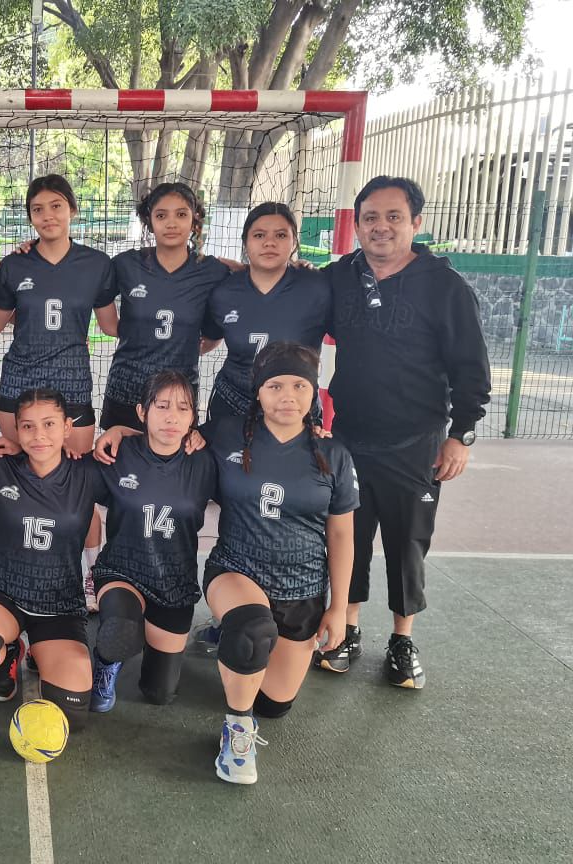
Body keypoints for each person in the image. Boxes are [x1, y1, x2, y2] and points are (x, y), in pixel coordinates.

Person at [313, 176, 491, 689]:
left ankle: (402, 639)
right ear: (358, 223)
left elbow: (471, 368)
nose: (381, 227)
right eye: (370, 217)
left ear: (416, 223)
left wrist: (462, 434)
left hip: (417, 439)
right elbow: (289, 285)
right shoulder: (339, 277)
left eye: (394, 217)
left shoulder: (445, 286)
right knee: (349, 535)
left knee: (407, 540)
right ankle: (347, 630)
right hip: (349, 435)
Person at [201, 342, 357, 784]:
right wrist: (122, 435)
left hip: (302, 590)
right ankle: (236, 731)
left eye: (298, 385)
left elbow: (342, 534)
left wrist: (338, 607)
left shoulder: (333, 454)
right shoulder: (225, 435)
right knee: (252, 631)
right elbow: (168, 436)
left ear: (313, 392)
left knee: (274, 705)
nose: (286, 395)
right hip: (236, 570)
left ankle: (240, 649)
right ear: (258, 392)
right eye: (274, 385)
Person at [0, 174, 118, 606]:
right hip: (18, 383)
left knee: (77, 489)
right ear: (29, 217)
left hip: (73, 383)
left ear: (72, 210)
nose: (47, 215)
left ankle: (92, 570)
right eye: (37, 209)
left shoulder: (97, 264)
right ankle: (25, 570)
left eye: (56, 205)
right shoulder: (14, 265)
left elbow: (112, 326)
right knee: (27, 482)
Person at [0, 388, 109, 733]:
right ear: (16, 431)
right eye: (28, 427)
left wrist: (122, 431)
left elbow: (147, 453)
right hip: (4, 594)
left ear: (68, 426)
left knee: (72, 716)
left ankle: (41, 647)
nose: (39, 436)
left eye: (49, 424)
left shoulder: (87, 474)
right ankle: (8, 651)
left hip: (60, 605)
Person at [86, 370, 216, 712]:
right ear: (142, 412)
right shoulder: (118, 453)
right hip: (122, 571)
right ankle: (106, 660)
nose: (172, 416)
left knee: (159, 693)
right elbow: (65, 475)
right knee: (120, 631)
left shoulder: (205, 462)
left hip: (174, 581)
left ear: (193, 418)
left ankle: (141, 638)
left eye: (183, 408)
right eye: (162, 406)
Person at [101, 183, 229, 431]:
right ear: (149, 221)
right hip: (126, 389)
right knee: (122, 465)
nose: (171, 223)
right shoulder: (126, 265)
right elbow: (108, 325)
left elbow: (214, 336)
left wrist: (293, 266)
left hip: (178, 397)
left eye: (181, 214)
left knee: (174, 468)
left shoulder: (212, 271)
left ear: (195, 219)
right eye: (161, 215)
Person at [201, 202, 331, 421]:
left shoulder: (317, 287)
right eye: (259, 235)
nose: (269, 242)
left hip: (293, 407)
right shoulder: (224, 292)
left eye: (281, 235)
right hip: (234, 400)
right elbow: (209, 338)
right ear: (245, 243)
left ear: (294, 242)